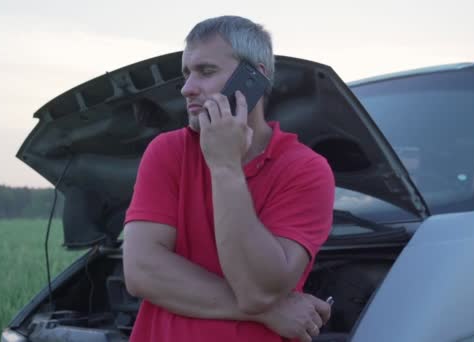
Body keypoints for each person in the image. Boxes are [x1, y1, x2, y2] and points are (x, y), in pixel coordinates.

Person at [122, 15, 335, 342]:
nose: (187, 88)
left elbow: (258, 291)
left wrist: (225, 167)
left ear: (254, 78)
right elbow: (141, 272)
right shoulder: (167, 151)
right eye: (186, 73)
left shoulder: (306, 170)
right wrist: (272, 311)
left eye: (206, 72)